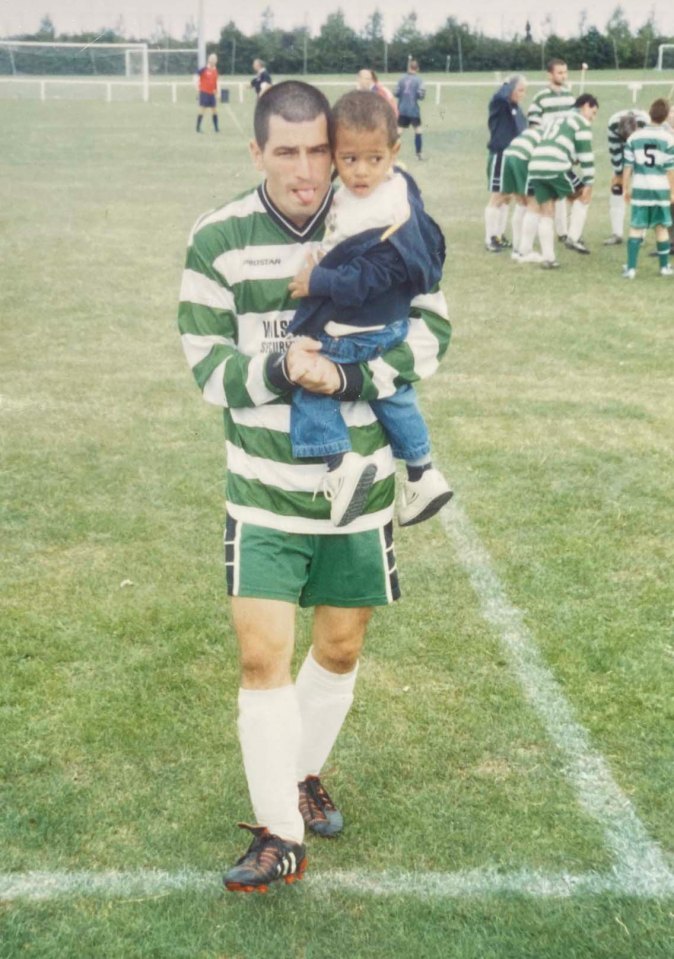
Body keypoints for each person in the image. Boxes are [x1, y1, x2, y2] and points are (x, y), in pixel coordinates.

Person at [178, 80, 451, 893]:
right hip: (260, 491)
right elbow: (207, 368)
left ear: (341, 149)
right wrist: (277, 364)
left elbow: (432, 330)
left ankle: (298, 774)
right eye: (286, 152)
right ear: (255, 151)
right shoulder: (217, 238)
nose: (307, 170)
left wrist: (342, 374)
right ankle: (279, 832)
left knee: (338, 649)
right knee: (263, 657)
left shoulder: (377, 220)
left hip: (358, 488)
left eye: (319, 151)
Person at [286, 90, 452, 529]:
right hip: (388, 326)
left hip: (355, 327)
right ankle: (422, 472)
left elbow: (369, 278)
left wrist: (316, 281)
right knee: (393, 392)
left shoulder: (383, 213)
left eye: (374, 159)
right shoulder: (400, 186)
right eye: (350, 159)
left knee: (309, 380)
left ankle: (341, 465)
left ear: (394, 153)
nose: (361, 172)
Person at [527, 93, 599, 268]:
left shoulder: (557, 119)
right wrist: (590, 181)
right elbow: (586, 155)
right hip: (556, 165)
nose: (593, 117)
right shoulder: (581, 123)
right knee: (583, 195)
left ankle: (549, 258)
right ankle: (573, 238)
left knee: (546, 211)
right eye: (593, 112)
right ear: (585, 106)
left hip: (536, 164)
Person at [621, 98, 674, 279]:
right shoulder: (669, 139)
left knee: (636, 227)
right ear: (666, 117)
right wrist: (673, 191)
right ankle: (664, 267)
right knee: (661, 228)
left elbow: (627, 166)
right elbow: (670, 170)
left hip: (641, 188)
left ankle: (631, 269)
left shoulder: (634, 137)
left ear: (650, 114)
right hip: (660, 189)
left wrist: (624, 188)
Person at [527, 59, 576, 241]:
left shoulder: (570, 97)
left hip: (564, 152)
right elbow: (533, 125)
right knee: (544, 197)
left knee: (562, 193)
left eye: (565, 72)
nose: (563, 76)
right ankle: (540, 233)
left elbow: (572, 125)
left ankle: (562, 232)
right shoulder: (540, 97)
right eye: (559, 73)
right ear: (550, 75)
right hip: (546, 152)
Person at [484, 74, 528, 252]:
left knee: (507, 197)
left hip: (513, 157)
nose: (522, 94)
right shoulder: (499, 103)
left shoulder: (516, 109)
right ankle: (490, 238)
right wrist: (507, 84)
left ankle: (499, 235)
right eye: (520, 90)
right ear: (510, 89)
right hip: (500, 155)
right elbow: (500, 95)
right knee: (498, 196)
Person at [603, 108, 649, 245]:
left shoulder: (646, 124)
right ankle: (617, 234)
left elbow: (647, 152)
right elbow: (615, 152)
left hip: (643, 154)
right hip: (622, 154)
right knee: (616, 192)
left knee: (640, 194)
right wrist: (619, 176)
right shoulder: (613, 126)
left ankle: (640, 235)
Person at [500, 123, 544, 261]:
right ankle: (526, 251)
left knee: (521, 202)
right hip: (522, 158)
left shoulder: (536, 131)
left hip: (508, 156)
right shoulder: (552, 137)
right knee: (534, 203)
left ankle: (517, 249)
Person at [395, 58, 425, 160]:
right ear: (417, 68)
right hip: (413, 110)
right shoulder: (419, 80)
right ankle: (419, 154)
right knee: (418, 130)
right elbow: (421, 95)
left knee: (398, 132)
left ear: (409, 67)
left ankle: (390, 153)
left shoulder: (401, 79)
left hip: (402, 108)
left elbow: (396, 93)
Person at [195, 53, 220, 134]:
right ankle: (198, 128)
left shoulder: (215, 70)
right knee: (202, 109)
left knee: (214, 110)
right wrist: (197, 87)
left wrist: (217, 92)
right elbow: (196, 76)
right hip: (204, 92)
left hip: (212, 93)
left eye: (215, 59)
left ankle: (216, 128)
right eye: (212, 59)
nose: (214, 61)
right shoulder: (204, 69)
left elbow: (215, 82)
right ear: (209, 60)